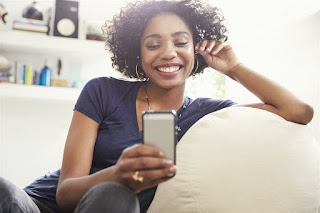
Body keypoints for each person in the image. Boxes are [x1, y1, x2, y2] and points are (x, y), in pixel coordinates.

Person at [0, 0, 314, 212]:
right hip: (36, 206)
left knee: (114, 195)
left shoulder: (209, 115)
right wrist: (117, 173)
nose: (167, 53)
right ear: (137, 53)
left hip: (115, 206)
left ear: (196, 49)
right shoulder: (102, 92)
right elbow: (65, 194)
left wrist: (233, 67)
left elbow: (299, 112)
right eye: (153, 44)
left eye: (180, 42)